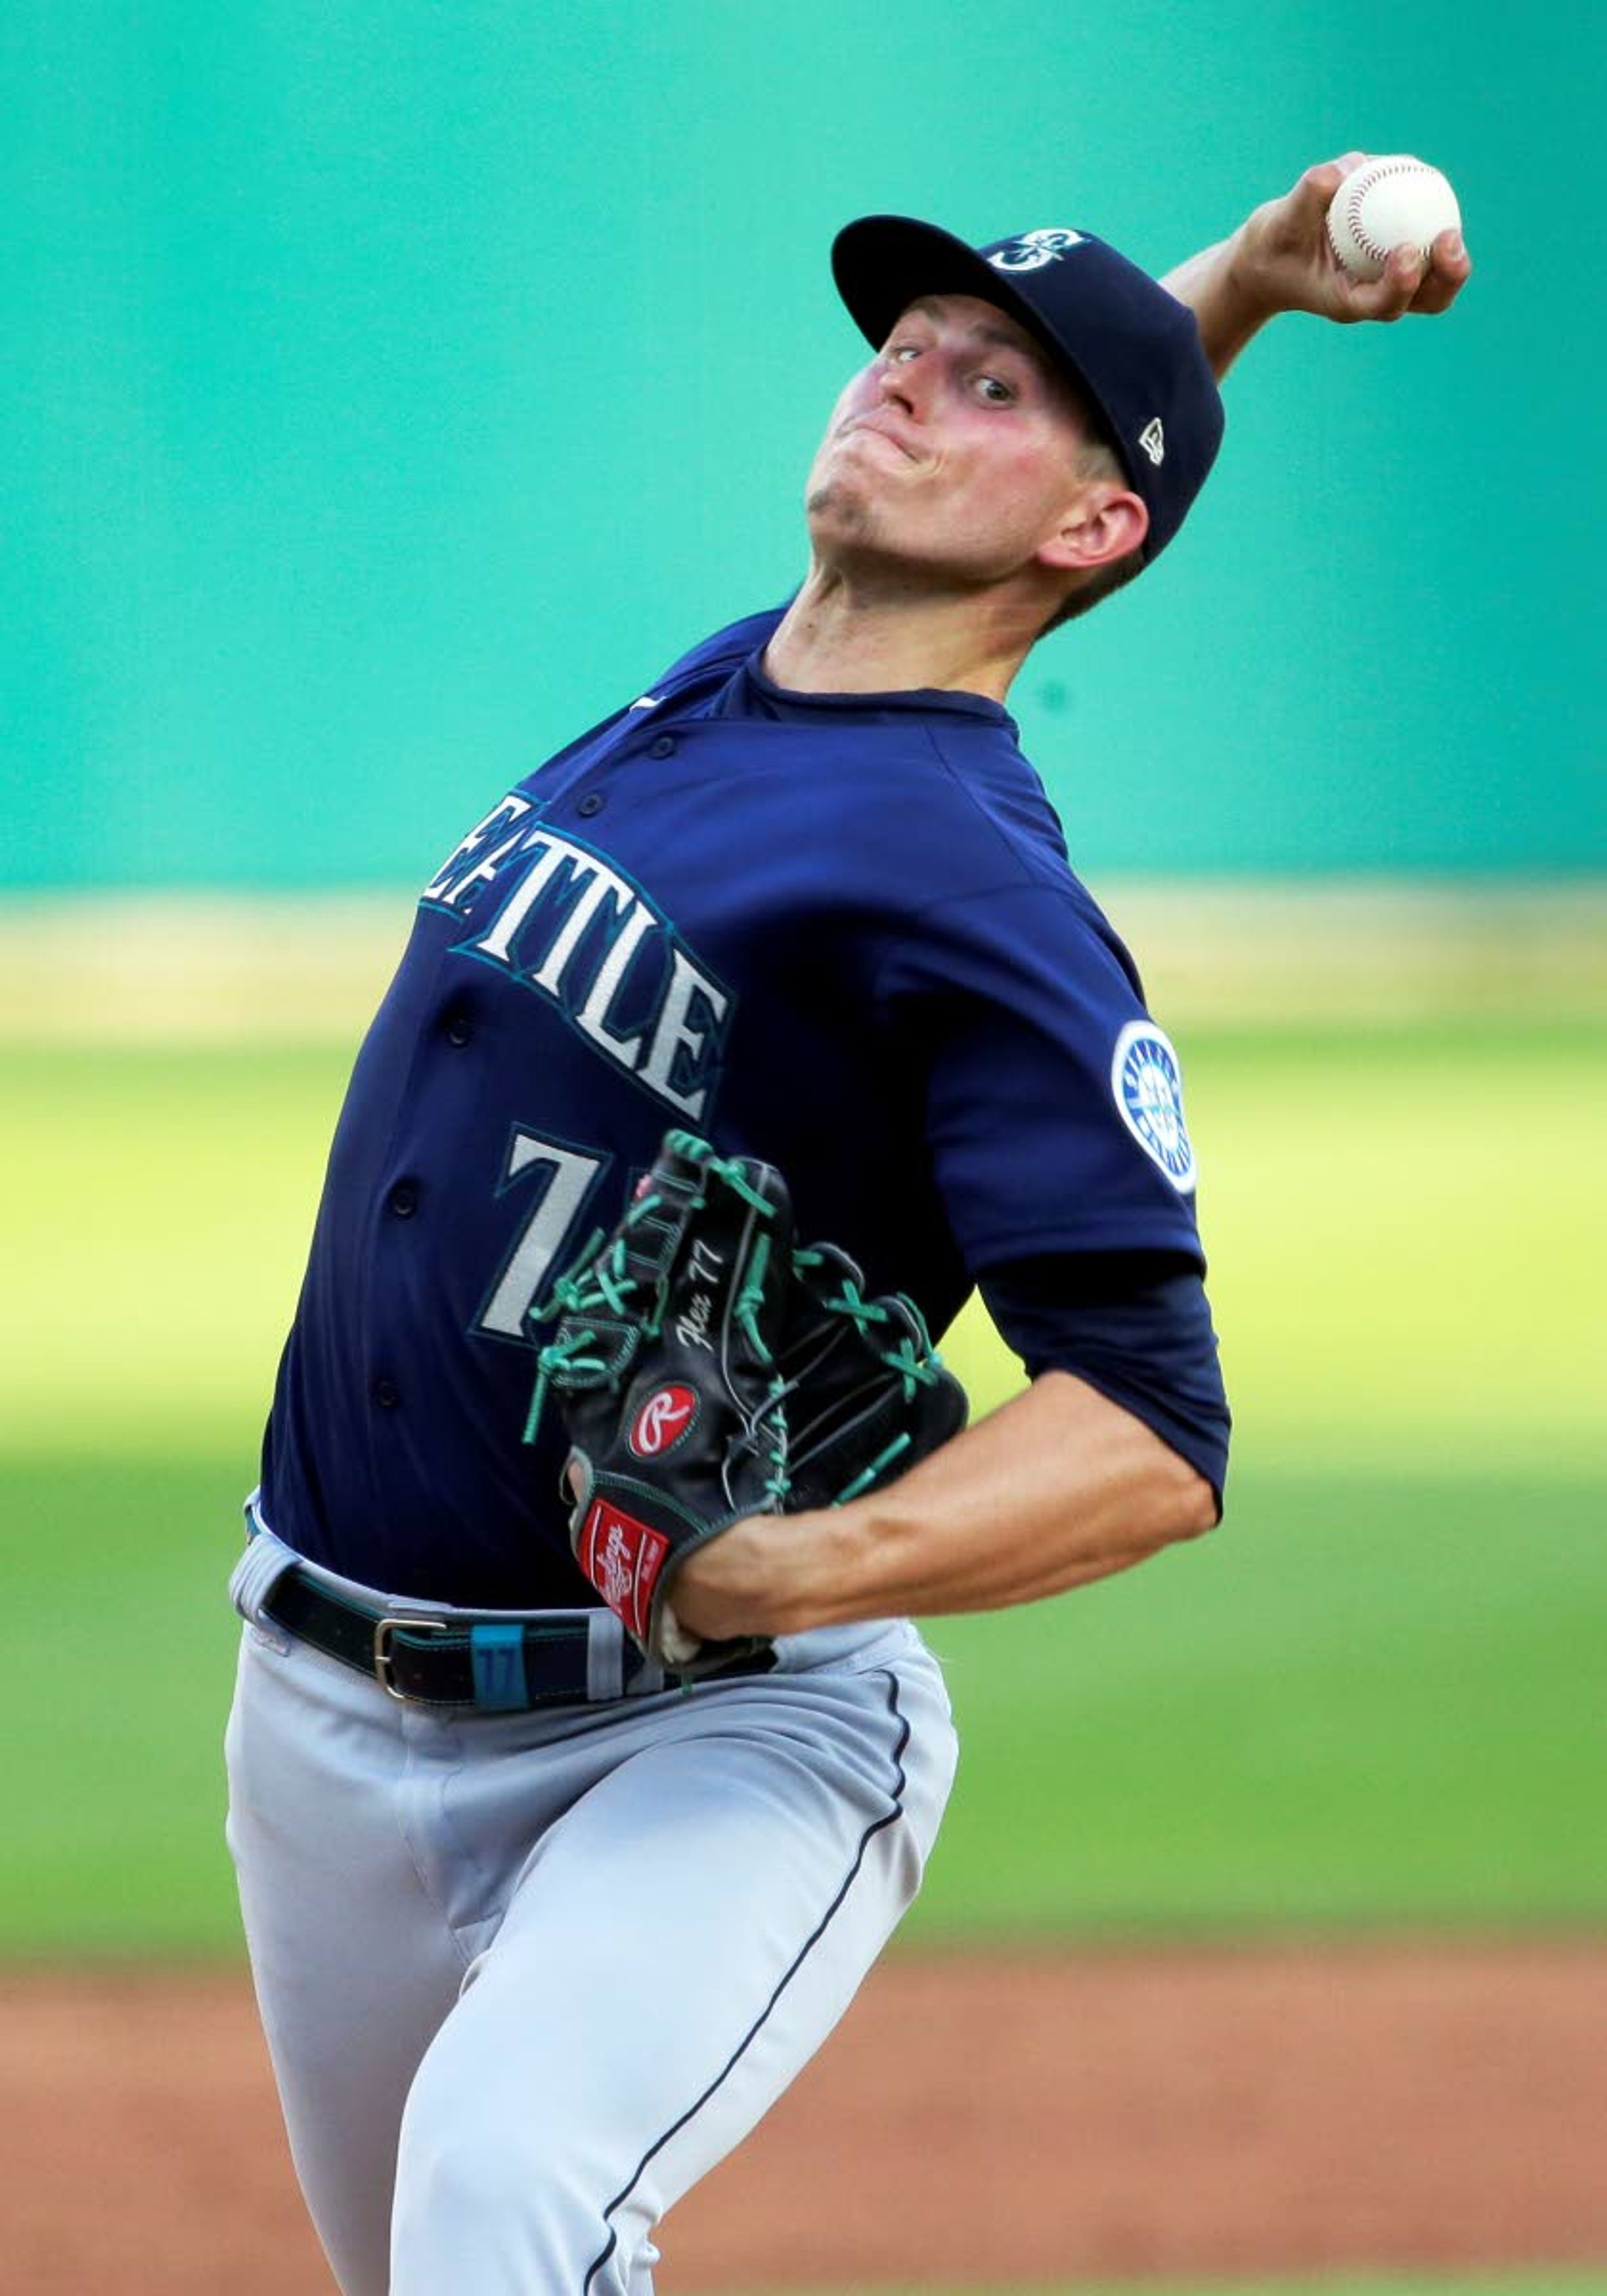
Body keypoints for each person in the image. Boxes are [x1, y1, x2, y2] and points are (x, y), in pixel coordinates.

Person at [225, 157, 1469, 2296]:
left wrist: (779, 1571)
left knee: (504, 2201)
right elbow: (1095, 450)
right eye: (907, 342)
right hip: (319, 1694)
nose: (905, 375)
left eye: (979, 382)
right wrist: (1246, 282)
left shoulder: (979, 896)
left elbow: (1156, 1432)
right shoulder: (755, 681)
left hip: (702, 1725)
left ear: (1079, 532)